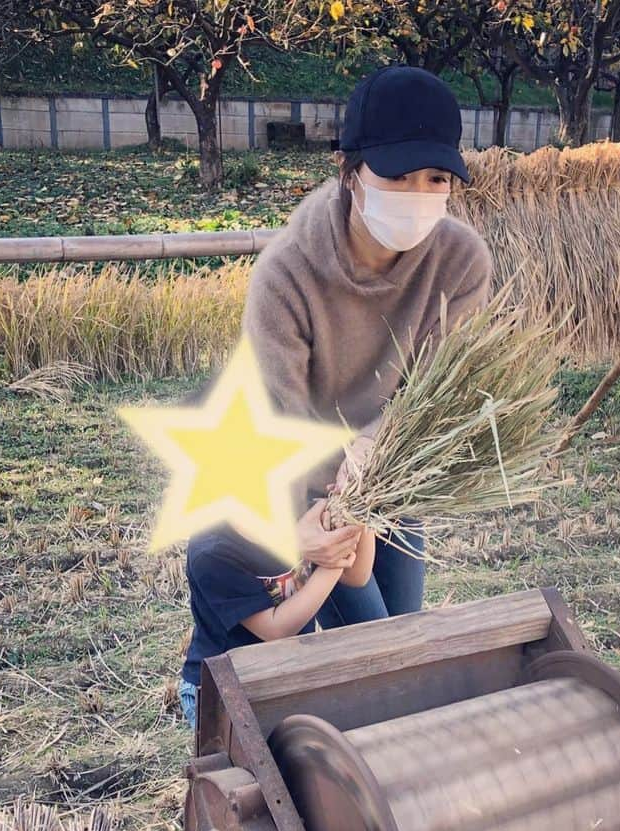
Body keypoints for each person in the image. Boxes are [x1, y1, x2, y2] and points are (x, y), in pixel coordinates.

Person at [243, 64, 493, 629]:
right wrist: (310, 524)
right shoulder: (286, 277)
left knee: (401, 633)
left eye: (436, 178)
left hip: (393, 475)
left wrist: (374, 452)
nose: (419, 195)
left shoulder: (461, 261)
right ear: (348, 171)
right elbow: (279, 418)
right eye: (398, 176)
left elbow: (436, 388)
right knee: (363, 643)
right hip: (311, 492)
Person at [178, 501, 374, 729]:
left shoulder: (297, 510)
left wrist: (360, 515)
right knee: (252, 760)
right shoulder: (212, 551)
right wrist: (333, 560)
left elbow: (357, 576)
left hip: (281, 673)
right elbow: (277, 629)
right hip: (224, 690)